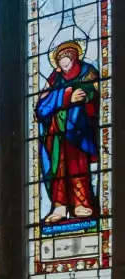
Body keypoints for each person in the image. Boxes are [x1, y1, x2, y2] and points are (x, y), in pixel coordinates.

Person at [36, 39, 100, 225]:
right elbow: (41, 107)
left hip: (78, 131)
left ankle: (82, 203)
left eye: (67, 56)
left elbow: (95, 92)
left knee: (77, 165)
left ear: (75, 56)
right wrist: (66, 96)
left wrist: (83, 95)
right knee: (57, 168)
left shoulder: (88, 73)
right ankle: (59, 206)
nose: (64, 61)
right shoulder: (54, 80)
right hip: (56, 133)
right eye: (60, 58)